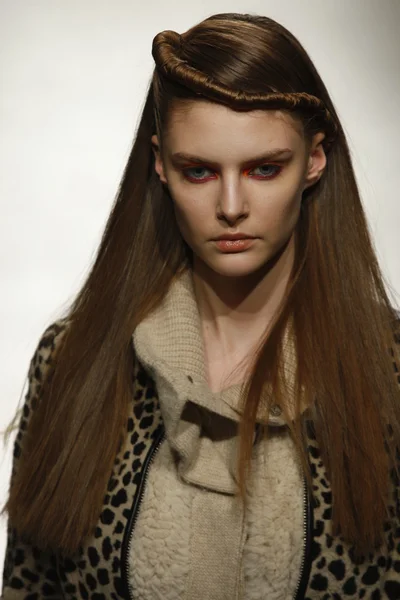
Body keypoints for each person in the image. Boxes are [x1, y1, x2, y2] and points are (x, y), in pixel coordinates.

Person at [2, 11, 400, 600]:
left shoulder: (389, 371)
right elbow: (29, 586)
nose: (232, 205)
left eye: (265, 168)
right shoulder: (72, 363)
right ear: (161, 164)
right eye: (199, 171)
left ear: (315, 161)